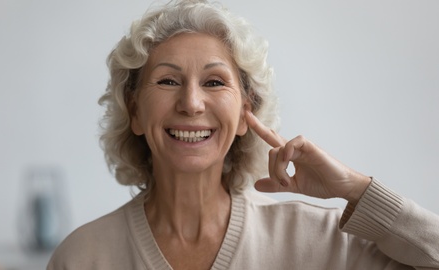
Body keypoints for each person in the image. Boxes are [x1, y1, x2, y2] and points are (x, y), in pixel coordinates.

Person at [47, 0, 439, 269]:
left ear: (245, 112)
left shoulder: (320, 241)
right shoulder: (82, 257)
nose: (192, 103)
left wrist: (357, 189)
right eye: (168, 81)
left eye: (215, 82)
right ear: (134, 111)